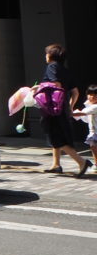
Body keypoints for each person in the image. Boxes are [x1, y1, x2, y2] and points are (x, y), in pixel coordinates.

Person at [37, 44, 89, 176]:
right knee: (58, 134)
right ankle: (56, 164)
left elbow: (55, 84)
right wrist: (70, 107)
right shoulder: (65, 70)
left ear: (51, 56)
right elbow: (75, 92)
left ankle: (81, 161)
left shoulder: (51, 66)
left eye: (46, 53)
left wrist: (37, 88)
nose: (45, 56)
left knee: (57, 137)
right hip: (63, 108)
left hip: (53, 108)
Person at [73, 85, 97, 171]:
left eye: (95, 95)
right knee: (93, 147)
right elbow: (86, 119)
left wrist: (68, 112)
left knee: (94, 147)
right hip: (93, 132)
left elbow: (83, 114)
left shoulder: (95, 106)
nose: (92, 97)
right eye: (90, 94)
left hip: (95, 132)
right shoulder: (89, 105)